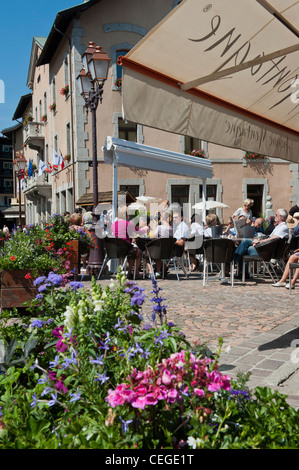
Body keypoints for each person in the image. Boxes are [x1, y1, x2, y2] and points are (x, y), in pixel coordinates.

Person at [234, 208, 289, 277]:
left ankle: (235, 259)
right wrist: (259, 240)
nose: (274, 216)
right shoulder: (280, 227)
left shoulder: (283, 227)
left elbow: (273, 239)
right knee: (245, 247)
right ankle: (244, 273)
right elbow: (271, 238)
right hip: (267, 250)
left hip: (266, 252)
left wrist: (259, 242)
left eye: (276, 215)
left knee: (245, 243)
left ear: (282, 217)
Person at [111, 206, 142, 279]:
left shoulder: (113, 224)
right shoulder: (128, 223)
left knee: (133, 251)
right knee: (139, 252)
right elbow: (139, 232)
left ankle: (130, 272)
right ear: (127, 214)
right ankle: (134, 273)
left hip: (115, 249)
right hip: (126, 250)